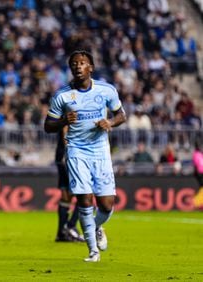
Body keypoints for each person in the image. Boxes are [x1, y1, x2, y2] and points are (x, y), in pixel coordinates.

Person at [44, 50, 127, 262]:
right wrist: (63, 121)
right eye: (74, 64)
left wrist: (110, 123)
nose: (78, 66)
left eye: (82, 63)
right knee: (84, 199)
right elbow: (48, 126)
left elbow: (121, 115)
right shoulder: (62, 95)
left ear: (91, 67)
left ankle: (97, 227)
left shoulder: (106, 90)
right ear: (70, 68)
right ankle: (93, 251)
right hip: (76, 151)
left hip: (100, 151)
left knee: (107, 204)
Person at [54, 126, 84, 243]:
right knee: (84, 193)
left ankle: (62, 232)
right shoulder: (70, 113)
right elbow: (66, 133)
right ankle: (71, 227)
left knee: (66, 197)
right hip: (69, 157)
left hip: (62, 156)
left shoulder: (66, 112)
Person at [193, 139, 203, 210]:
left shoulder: (196, 154)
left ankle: (198, 203)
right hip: (200, 173)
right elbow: (197, 165)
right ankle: (196, 202)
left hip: (200, 173)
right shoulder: (199, 154)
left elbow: (196, 164)